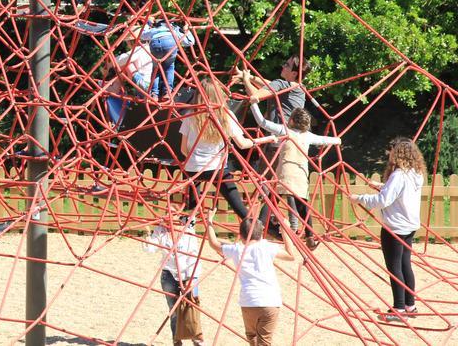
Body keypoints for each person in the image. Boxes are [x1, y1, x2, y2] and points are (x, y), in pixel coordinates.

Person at [243, 71, 341, 249]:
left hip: (284, 176)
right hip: (300, 177)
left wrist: (253, 104)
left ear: (292, 121)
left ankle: (255, 231)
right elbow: (329, 140)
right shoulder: (309, 136)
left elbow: (262, 123)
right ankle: (310, 237)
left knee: (272, 203)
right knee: (304, 207)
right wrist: (337, 140)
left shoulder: (285, 131)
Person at [350, 137, 425, 322]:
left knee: (394, 267)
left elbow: (384, 200)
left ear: (398, 153)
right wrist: (382, 186)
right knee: (405, 263)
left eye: (392, 151)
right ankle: (410, 305)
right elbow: (399, 192)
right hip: (409, 226)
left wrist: (359, 198)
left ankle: (399, 308)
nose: (389, 154)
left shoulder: (398, 175)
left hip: (395, 227)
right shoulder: (416, 173)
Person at [180, 77, 275, 220]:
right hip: (217, 169)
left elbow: (184, 149)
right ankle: (252, 227)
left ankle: (190, 220)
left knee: (192, 207)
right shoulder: (226, 116)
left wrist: (196, 161)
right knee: (239, 207)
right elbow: (243, 144)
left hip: (192, 169)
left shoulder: (190, 115)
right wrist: (266, 139)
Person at [205, 211, 295, 346]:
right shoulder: (267, 247)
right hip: (269, 301)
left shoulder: (237, 250)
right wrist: (285, 230)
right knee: (264, 342)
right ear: (261, 233)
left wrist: (209, 221)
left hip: (248, 301)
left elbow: (213, 244)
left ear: (240, 235)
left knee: (252, 338)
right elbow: (290, 255)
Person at [143, 217, 206, 346]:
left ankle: (197, 339)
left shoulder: (188, 228)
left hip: (189, 273)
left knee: (192, 306)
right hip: (169, 274)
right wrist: (147, 233)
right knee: (173, 310)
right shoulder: (161, 230)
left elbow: (193, 256)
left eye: (172, 211)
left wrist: (189, 279)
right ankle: (176, 341)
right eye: (167, 210)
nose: (168, 214)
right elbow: (150, 249)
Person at [100, 41, 153, 130]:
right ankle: (115, 86)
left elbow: (121, 60)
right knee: (125, 64)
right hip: (150, 88)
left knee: (126, 64)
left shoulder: (140, 49)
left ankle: (115, 87)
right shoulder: (150, 48)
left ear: (132, 41)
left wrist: (108, 65)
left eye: (128, 43)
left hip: (145, 87)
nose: (128, 45)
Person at [141, 19, 196, 100]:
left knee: (156, 69)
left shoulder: (155, 29)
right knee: (169, 67)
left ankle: (154, 94)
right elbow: (190, 42)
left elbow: (142, 35)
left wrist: (147, 24)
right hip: (170, 42)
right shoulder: (174, 28)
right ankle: (167, 92)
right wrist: (186, 30)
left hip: (155, 43)